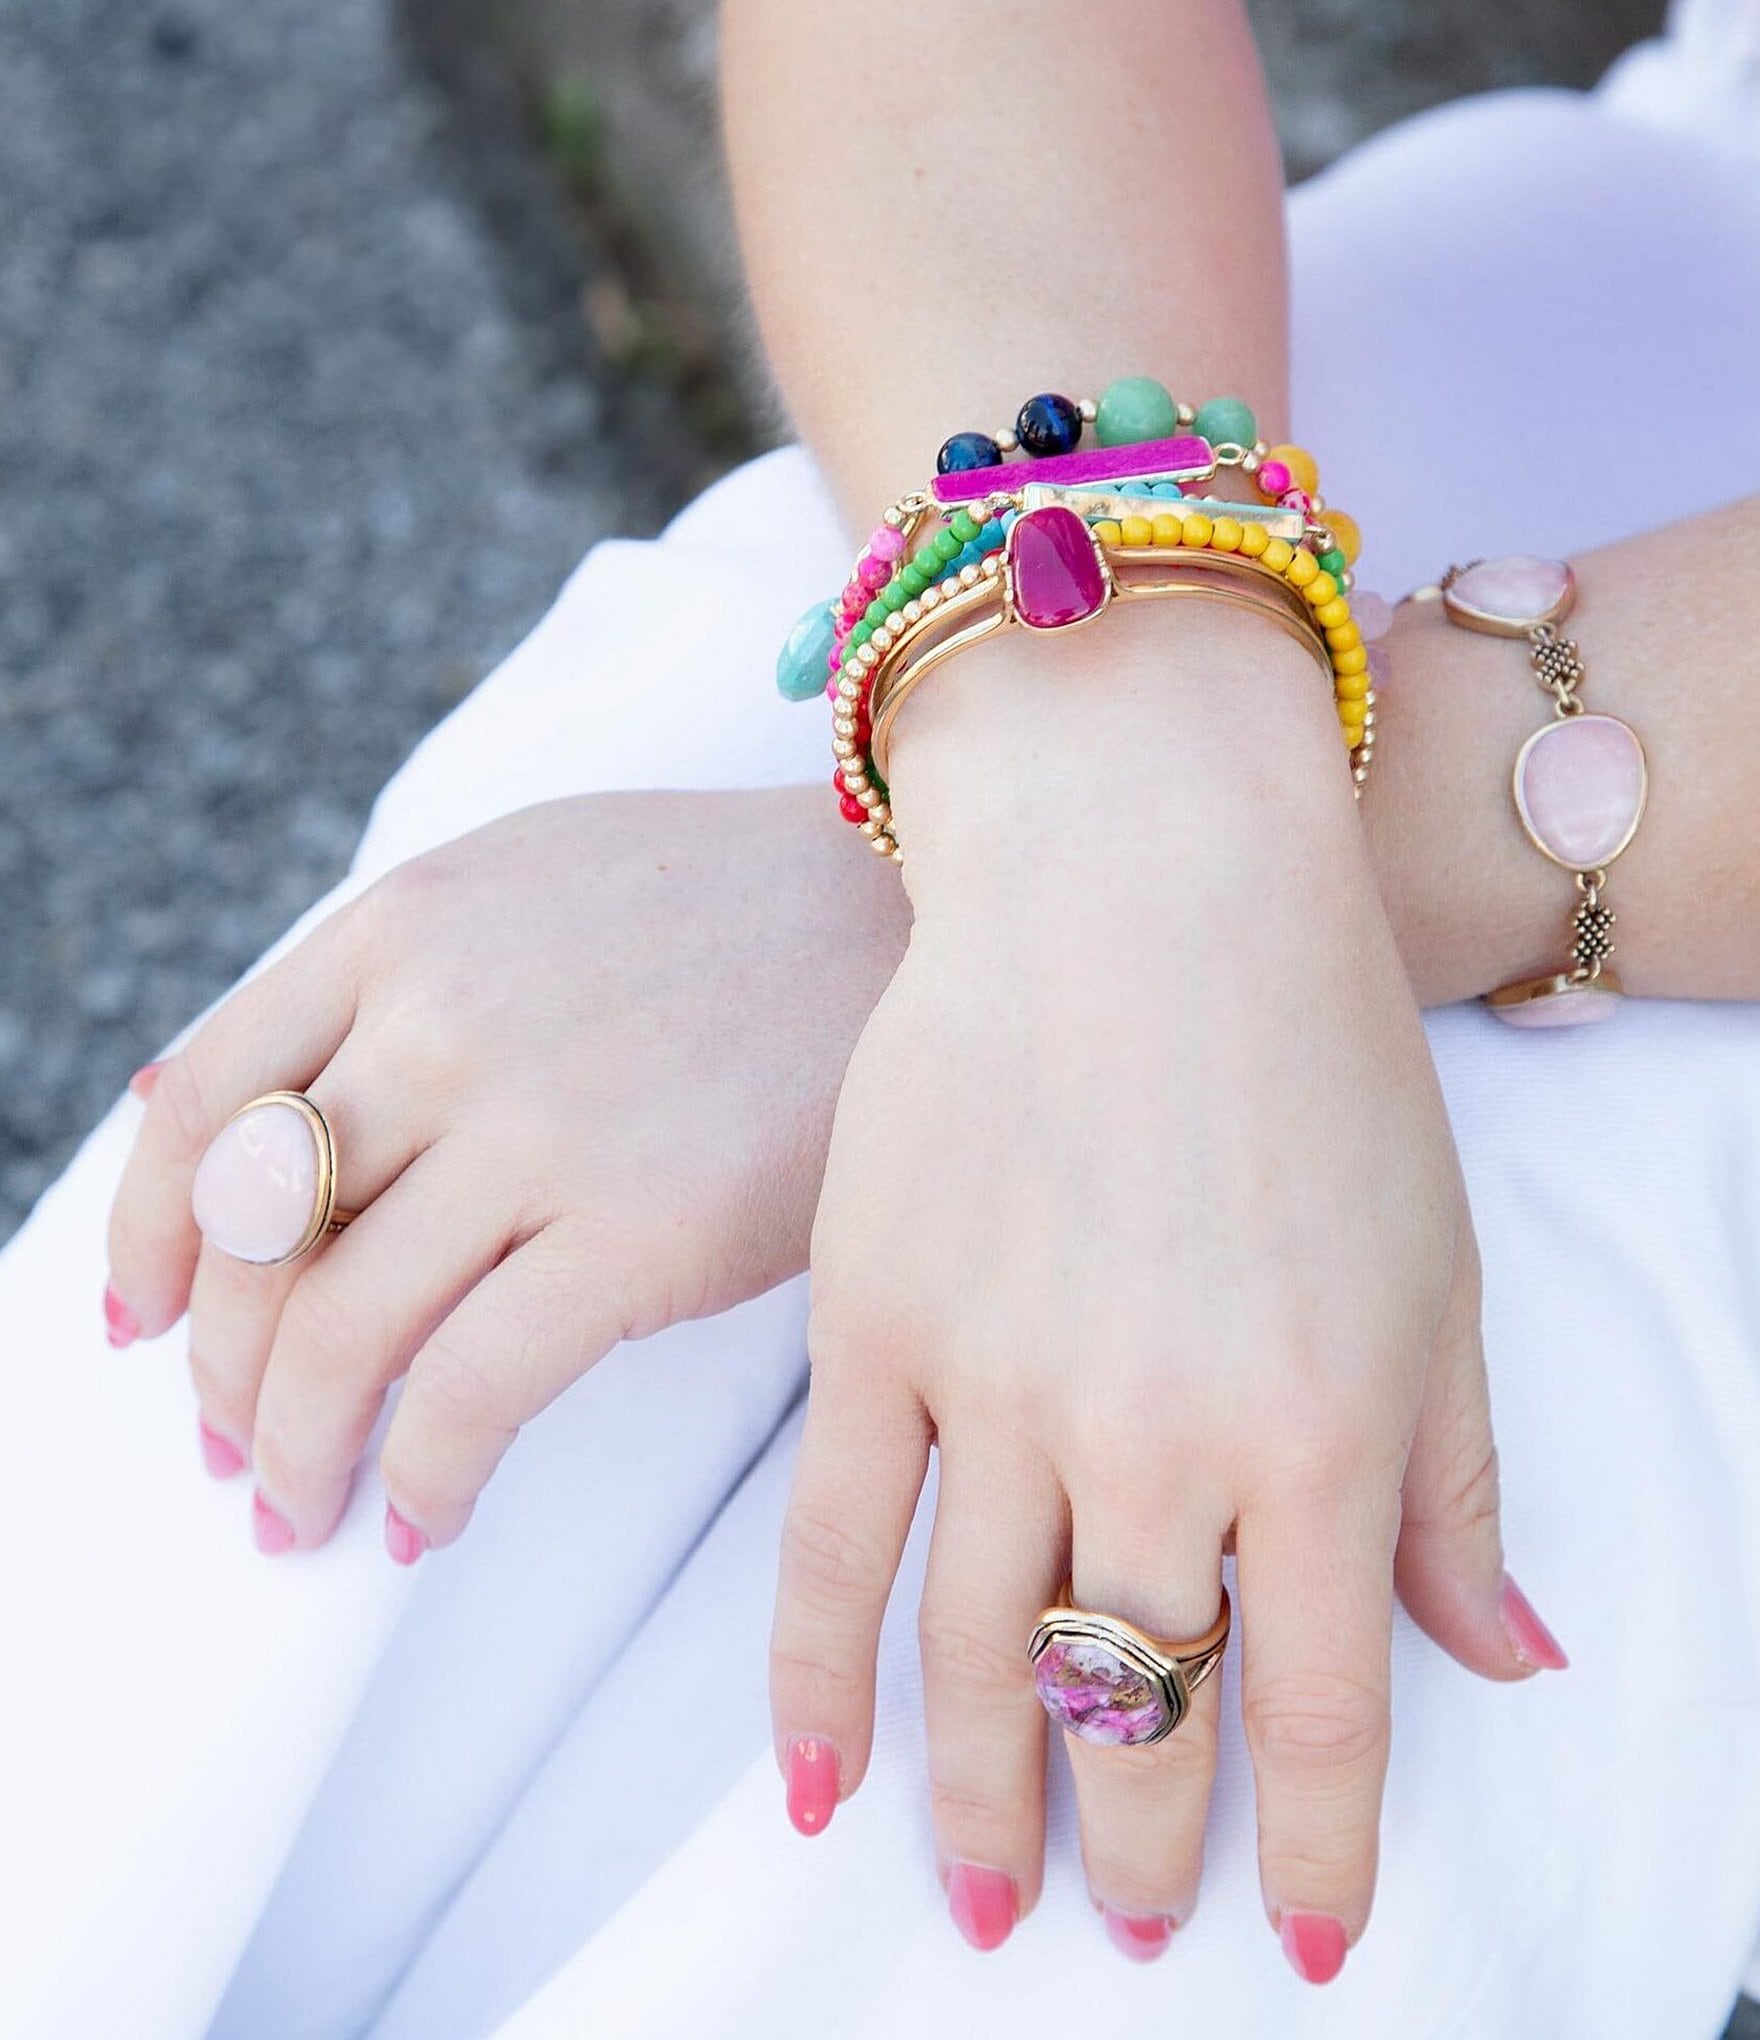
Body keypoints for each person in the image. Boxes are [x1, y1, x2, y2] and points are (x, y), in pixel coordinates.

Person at [5, 3, 1759, 2035]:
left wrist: (1171, 889)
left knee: (1193, 1603)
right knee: (396, 1436)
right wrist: (1094, 798)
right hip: (1628, 295)